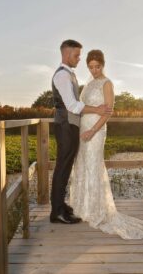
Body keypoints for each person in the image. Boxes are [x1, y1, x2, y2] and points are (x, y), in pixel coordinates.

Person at [70, 49, 143, 239]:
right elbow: (82, 108)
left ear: (103, 65)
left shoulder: (107, 83)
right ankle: (84, 208)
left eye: (97, 66)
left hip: (95, 132)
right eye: (90, 67)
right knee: (82, 166)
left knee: (94, 165)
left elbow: (108, 111)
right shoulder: (88, 85)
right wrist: (83, 128)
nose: (94, 70)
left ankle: (98, 210)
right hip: (83, 129)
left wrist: (92, 130)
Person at [50, 40, 112, 224]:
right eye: (76, 55)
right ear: (67, 54)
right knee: (62, 167)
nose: (79, 59)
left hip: (71, 126)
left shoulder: (70, 75)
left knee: (67, 166)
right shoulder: (62, 76)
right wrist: (97, 109)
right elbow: (72, 105)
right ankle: (57, 212)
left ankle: (61, 206)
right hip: (65, 126)